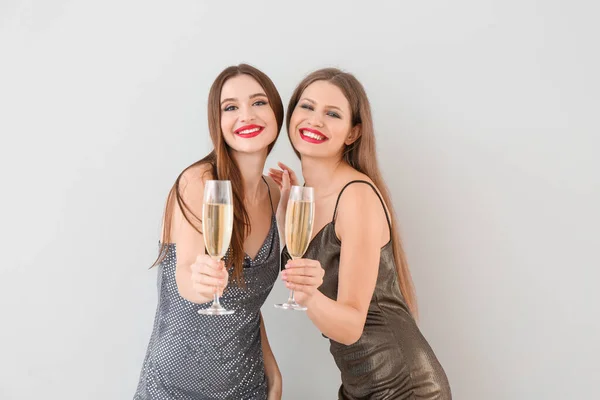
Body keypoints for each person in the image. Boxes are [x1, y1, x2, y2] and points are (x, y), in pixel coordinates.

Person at [269, 68, 452, 399]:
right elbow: (306, 262)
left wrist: (306, 294)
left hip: (403, 386)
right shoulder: (307, 194)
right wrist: (287, 213)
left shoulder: (356, 197)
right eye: (306, 107)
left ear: (353, 133)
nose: (315, 120)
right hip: (360, 385)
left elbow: (351, 327)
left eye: (333, 114)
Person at [135, 64, 284, 399]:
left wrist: (272, 371)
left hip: (249, 385)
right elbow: (187, 274)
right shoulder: (199, 181)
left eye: (258, 103)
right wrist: (200, 277)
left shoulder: (275, 194)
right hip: (175, 387)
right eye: (230, 107)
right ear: (217, 123)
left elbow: (246, 302)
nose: (246, 115)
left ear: (276, 112)